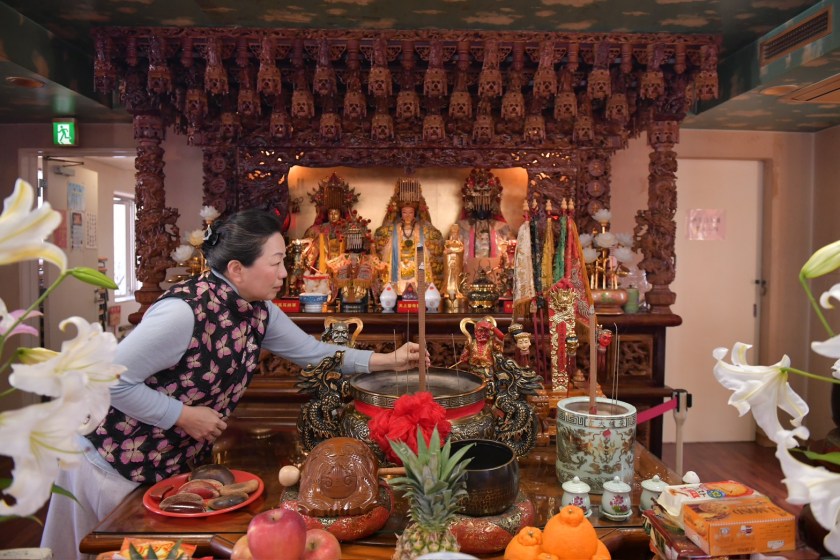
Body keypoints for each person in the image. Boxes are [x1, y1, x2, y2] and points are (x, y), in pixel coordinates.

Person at [41, 209, 426, 558]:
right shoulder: (182, 313)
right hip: (111, 461)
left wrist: (387, 361)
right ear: (238, 269)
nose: (284, 274)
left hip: (164, 464)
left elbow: (312, 352)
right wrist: (183, 415)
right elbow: (109, 380)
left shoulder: (258, 311)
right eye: (276, 263)